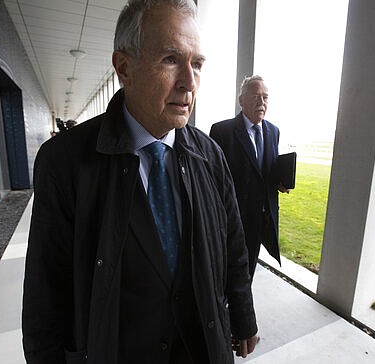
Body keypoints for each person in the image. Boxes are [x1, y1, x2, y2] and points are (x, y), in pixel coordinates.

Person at [22, 1, 259, 363]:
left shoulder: (210, 155)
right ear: (124, 67)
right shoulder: (64, 162)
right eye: (170, 60)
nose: (189, 82)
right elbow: (46, 294)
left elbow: (233, 244)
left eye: (196, 63)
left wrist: (242, 316)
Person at [210, 75, 291, 280]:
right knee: (226, 275)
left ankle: (239, 310)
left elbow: (265, 170)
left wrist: (279, 182)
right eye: (255, 96)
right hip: (233, 221)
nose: (261, 102)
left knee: (248, 276)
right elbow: (212, 181)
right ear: (241, 100)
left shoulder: (273, 131)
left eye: (265, 97)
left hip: (262, 221)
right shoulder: (222, 131)